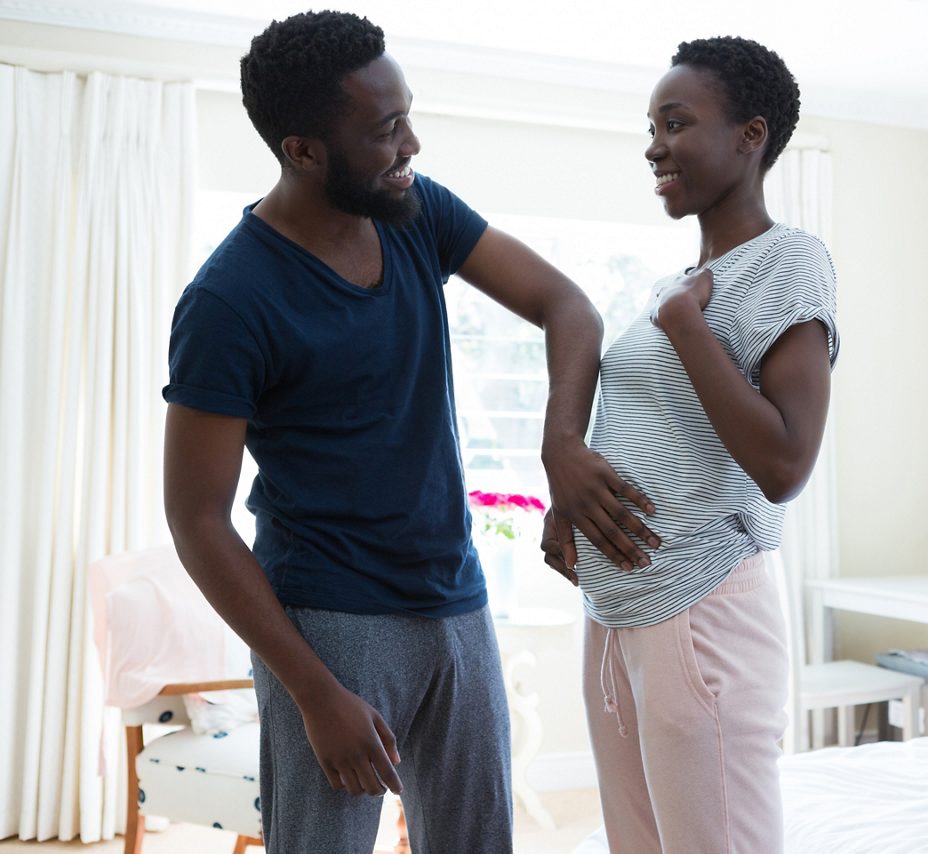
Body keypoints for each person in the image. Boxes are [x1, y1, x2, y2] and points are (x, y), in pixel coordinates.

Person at [162, 10, 660, 854]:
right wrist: (316, 694)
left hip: (457, 604)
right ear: (304, 150)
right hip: (330, 623)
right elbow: (196, 520)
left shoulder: (414, 212)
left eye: (408, 116)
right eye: (387, 130)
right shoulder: (230, 300)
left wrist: (562, 450)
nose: (413, 146)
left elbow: (567, 306)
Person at [541, 36, 839, 853]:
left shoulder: (789, 261)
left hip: (703, 604)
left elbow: (784, 464)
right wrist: (568, 493)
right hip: (620, 613)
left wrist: (682, 323)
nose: (654, 145)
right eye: (651, 125)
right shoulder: (675, 283)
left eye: (675, 122)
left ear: (751, 134)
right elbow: (651, 421)